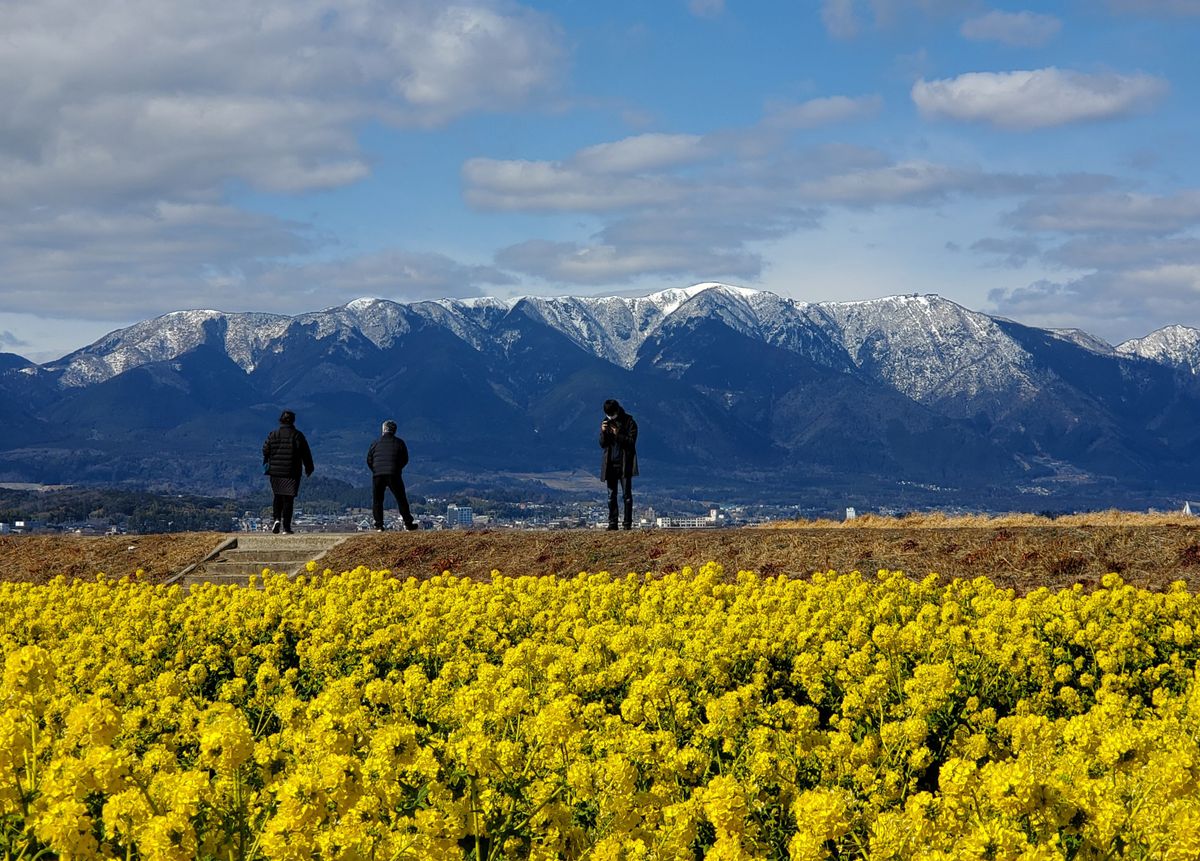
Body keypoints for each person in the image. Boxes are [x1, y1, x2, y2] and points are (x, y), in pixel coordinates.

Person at [262, 409, 314, 534]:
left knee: (277, 496)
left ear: (281, 420)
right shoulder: (297, 435)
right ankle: (286, 527)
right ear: (293, 421)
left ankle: (276, 519)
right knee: (288, 499)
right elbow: (305, 453)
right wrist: (309, 467)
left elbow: (265, 450)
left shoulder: (273, 435)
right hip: (292, 472)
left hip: (275, 472)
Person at [367, 420, 418, 531]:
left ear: (383, 430)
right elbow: (405, 459)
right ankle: (408, 524)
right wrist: (396, 468)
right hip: (393, 473)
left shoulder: (375, 443)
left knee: (377, 501)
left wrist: (375, 470)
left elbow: (369, 459)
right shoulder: (399, 443)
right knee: (401, 499)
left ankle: (379, 525)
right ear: (395, 431)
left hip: (377, 474)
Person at [599, 398, 638, 530]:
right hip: (610, 464)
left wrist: (618, 434)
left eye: (611, 414)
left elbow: (631, 442)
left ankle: (627, 524)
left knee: (626, 495)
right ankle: (612, 523)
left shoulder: (629, 422)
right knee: (611, 496)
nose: (610, 417)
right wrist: (603, 432)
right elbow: (602, 444)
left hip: (625, 464)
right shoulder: (606, 422)